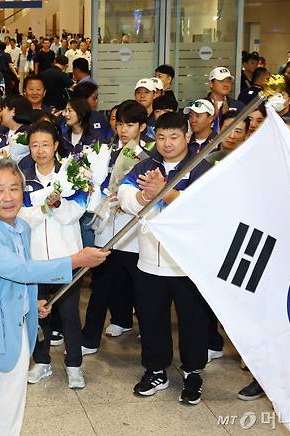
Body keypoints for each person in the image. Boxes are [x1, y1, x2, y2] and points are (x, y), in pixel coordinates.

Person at [0, 157, 109, 436]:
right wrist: (76, 259)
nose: (8, 197)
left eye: (15, 188)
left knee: (10, 413)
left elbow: (9, 279)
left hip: (17, 331)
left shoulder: (20, 228)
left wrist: (30, 303)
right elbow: (20, 270)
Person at [118, 111, 212, 406]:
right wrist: (145, 197)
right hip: (149, 260)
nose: (167, 143)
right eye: (161, 137)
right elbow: (123, 196)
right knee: (151, 318)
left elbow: (203, 209)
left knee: (193, 321)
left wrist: (164, 193)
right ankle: (156, 369)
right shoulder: (147, 165)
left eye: (174, 136)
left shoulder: (200, 167)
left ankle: (193, 373)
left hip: (186, 265)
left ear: (187, 137)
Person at [18, 121, 87, 389]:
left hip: (67, 257)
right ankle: (42, 362)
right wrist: (45, 208)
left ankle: (74, 366)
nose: (40, 150)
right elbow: (20, 218)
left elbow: (75, 213)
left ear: (56, 145)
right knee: (38, 314)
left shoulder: (72, 174)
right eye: (34, 145)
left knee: (69, 314)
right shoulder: (23, 178)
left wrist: (56, 205)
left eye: (45, 144)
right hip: (35, 260)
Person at [82, 101, 150, 353]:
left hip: (131, 232)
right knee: (100, 286)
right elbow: (97, 182)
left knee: (138, 288)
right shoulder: (105, 151)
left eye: (130, 124)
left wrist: (126, 199)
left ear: (142, 126)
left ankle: (135, 325)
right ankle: (89, 338)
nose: (123, 129)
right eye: (120, 123)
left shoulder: (147, 157)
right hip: (105, 229)